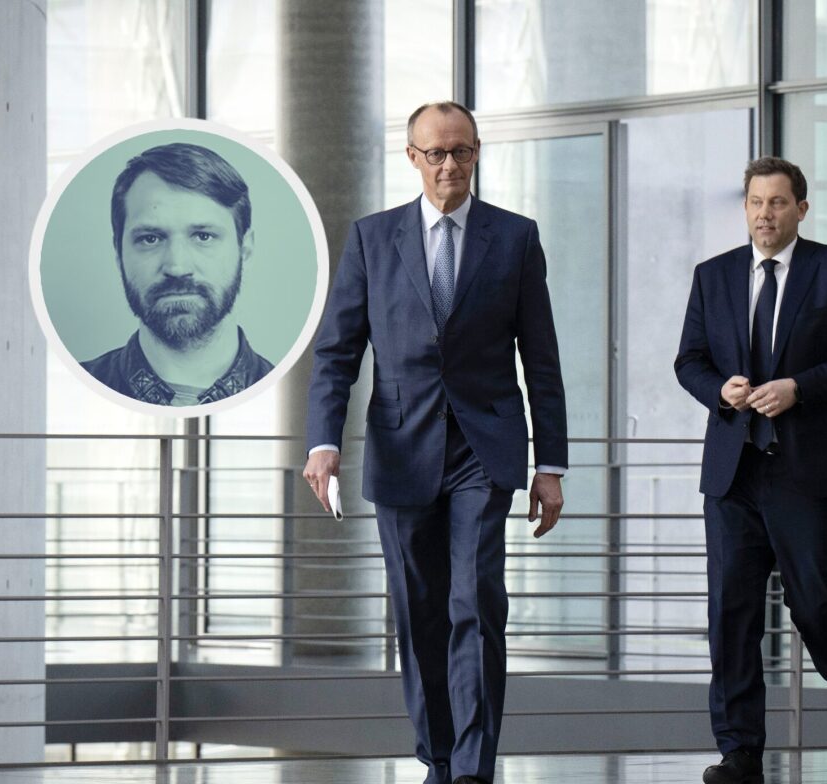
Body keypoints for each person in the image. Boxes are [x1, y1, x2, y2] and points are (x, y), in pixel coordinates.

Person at [301, 101, 568, 784]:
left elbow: (541, 358)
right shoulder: (371, 238)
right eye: (437, 154)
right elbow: (336, 354)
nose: (451, 165)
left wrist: (551, 465)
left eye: (463, 152)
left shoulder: (514, 238)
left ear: (477, 153)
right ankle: (439, 757)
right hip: (400, 449)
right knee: (420, 612)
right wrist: (323, 443)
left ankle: (474, 765)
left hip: (484, 450)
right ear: (413, 158)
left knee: (475, 601)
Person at [675, 156, 827, 784]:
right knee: (730, 614)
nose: (766, 214)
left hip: (807, 470)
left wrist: (797, 388)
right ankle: (740, 753)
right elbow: (689, 360)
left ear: (801, 209)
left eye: (778, 203)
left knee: (815, 603)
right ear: (745, 208)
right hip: (733, 471)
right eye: (756, 203)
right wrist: (720, 390)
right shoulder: (713, 276)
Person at [82, 142, 273, 405]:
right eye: (150, 239)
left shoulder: (296, 400)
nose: (177, 267)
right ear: (118, 253)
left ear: (245, 248)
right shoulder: (72, 393)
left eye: (203, 236)